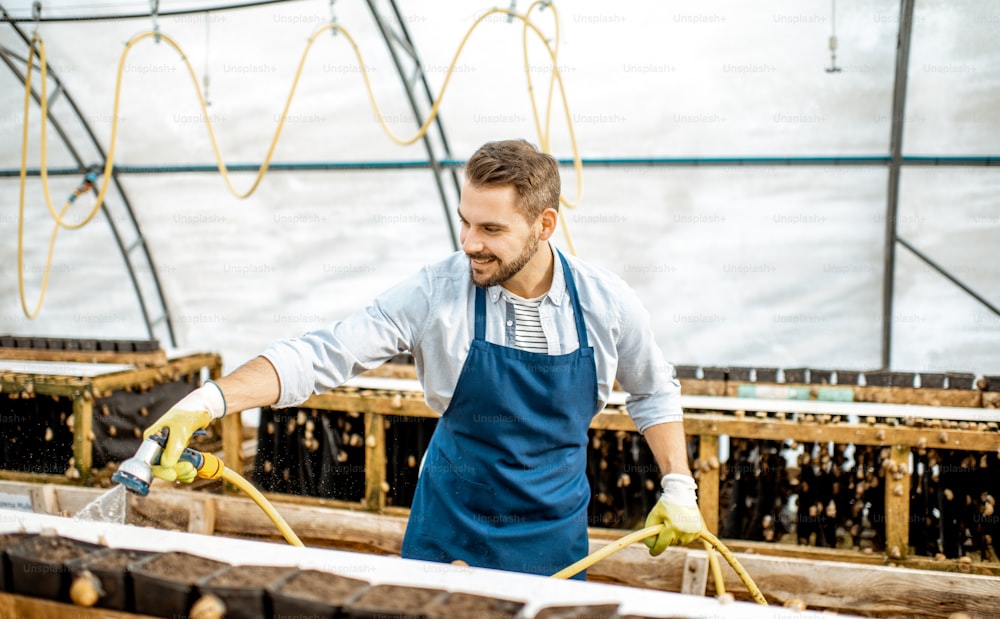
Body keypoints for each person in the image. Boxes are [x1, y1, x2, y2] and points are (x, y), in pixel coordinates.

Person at [145, 139, 704, 578]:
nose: (469, 243)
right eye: (464, 221)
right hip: (449, 533)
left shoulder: (607, 304)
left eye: (491, 229)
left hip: (552, 544)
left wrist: (679, 488)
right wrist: (210, 399)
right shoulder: (437, 293)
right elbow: (323, 354)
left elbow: (653, 391)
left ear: (545, 225)